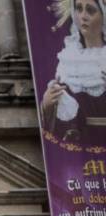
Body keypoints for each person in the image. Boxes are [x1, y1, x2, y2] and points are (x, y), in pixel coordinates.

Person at [40, 0, 106, 142]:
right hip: (79, 149)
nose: (83, 16)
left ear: (104, 15)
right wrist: (47, 105)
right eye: (78, 9)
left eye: (90, 10)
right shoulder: (67, 60)